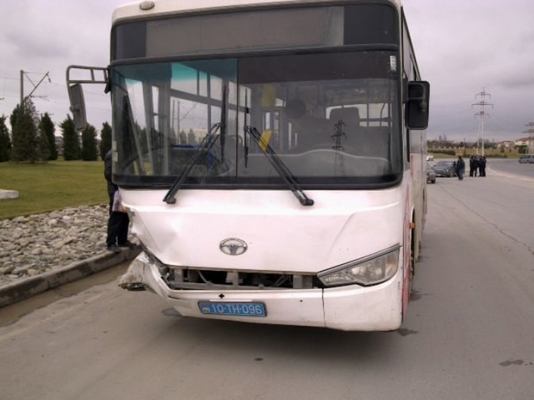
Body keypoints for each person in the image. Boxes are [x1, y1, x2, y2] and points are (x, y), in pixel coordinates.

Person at [105, 150, 131, 252]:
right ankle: (111, 242)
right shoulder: (112, 155)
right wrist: (121, 181)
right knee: (116, 217)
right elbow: (108, 173)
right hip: (116, 190)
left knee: (125, 216)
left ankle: (122, 240)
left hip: (123, 189)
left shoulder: (122, 154)